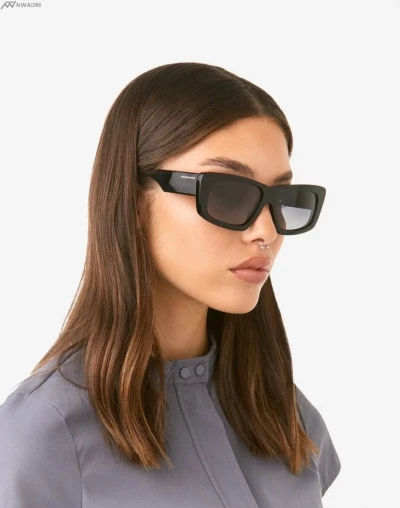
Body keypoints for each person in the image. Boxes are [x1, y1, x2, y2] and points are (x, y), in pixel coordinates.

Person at [0, 62, 341, 507]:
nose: (266, 231)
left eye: (282, 199)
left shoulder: (285, 414)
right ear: (133, 201)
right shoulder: (44, 433)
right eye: (227, 193)